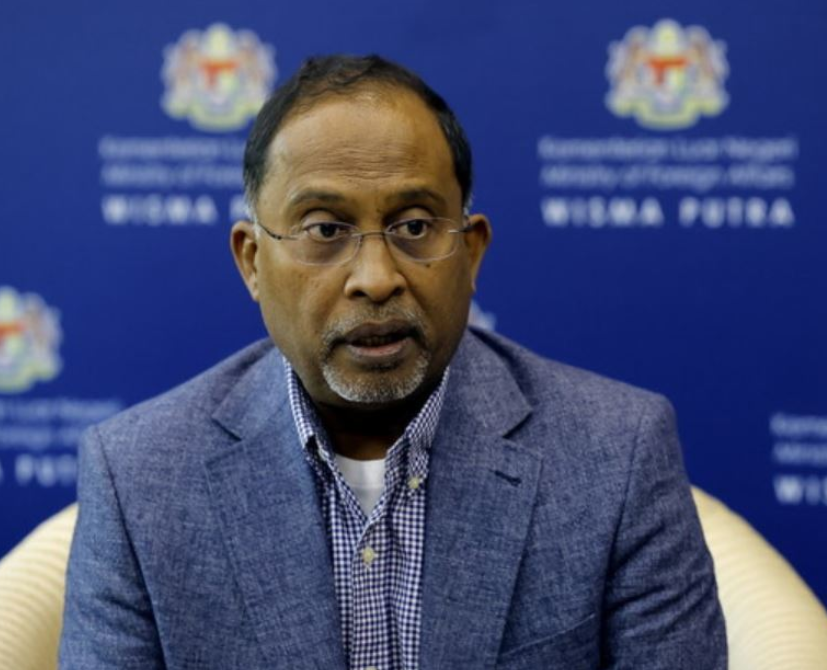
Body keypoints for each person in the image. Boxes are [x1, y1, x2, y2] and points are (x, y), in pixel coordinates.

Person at [59, 54, 726, 669]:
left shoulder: (617, 455)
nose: (376, 278)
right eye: (325, 229)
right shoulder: (139, 478)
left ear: (471, 252)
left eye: (413, 226)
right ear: (252, 262)